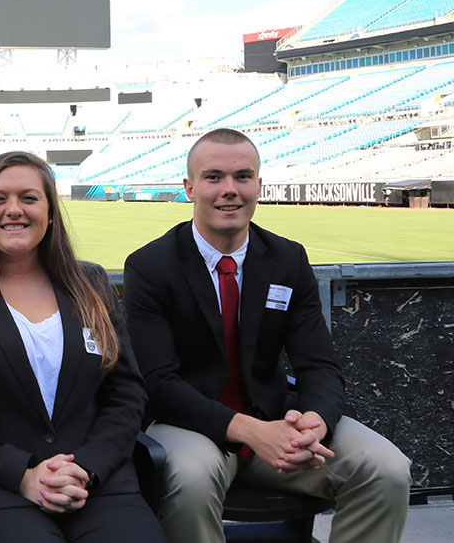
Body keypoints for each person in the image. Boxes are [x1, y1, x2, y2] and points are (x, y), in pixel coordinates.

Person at [123, 128, 411, 543]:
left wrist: (314, 422)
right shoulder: (151, 266)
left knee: (386, 468)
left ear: (259, 185)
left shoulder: (287, 259)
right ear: (189, 187)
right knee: (189, 478)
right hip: (190, 425)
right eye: (213, 177)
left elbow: (318, 365)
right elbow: (157, 383)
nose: (230, 190)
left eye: (242, 177)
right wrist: (251, 431)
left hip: (277, 419)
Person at [0, 151, 163, 543]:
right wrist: (23, 475)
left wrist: (86, 469)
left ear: (50, 210)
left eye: (28, 198)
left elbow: (125, 393)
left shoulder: (90, 284)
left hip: (94, 486)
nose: (13, 210)